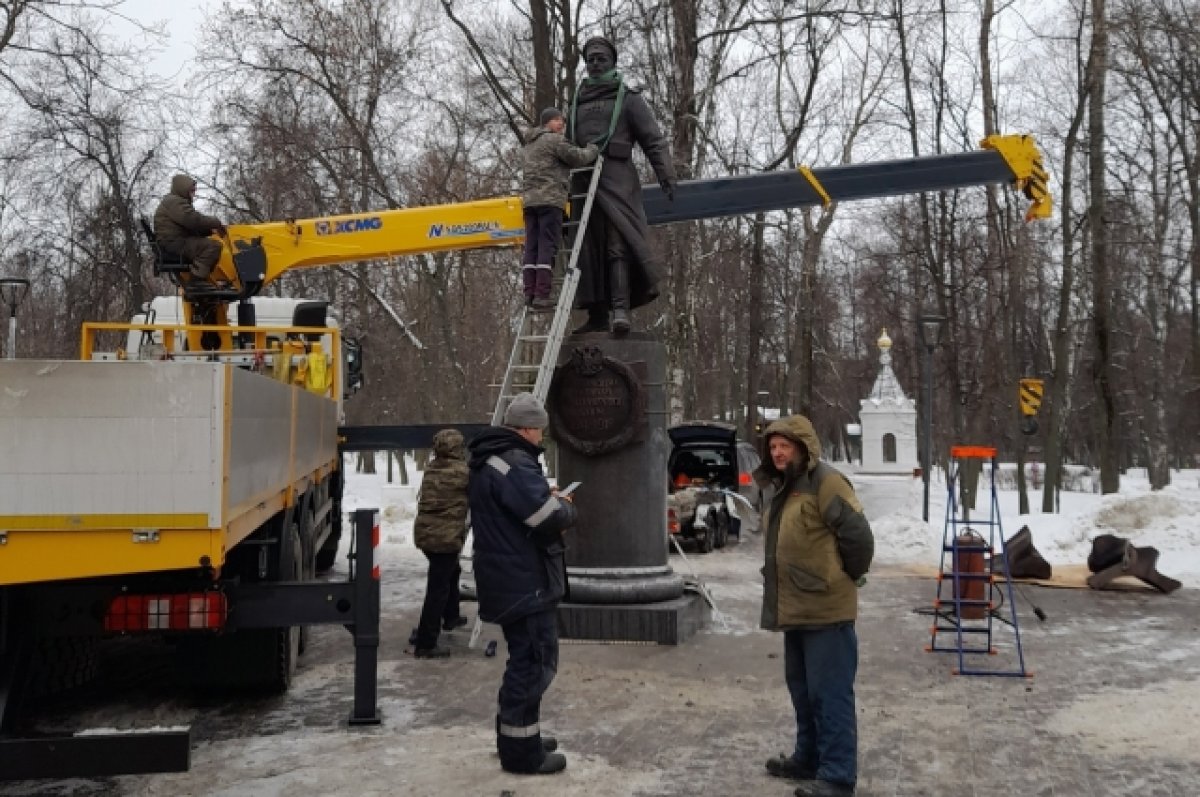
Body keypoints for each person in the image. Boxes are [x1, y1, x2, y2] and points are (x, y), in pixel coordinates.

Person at [755, 415, 874, 797]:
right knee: (802, 690)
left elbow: (858, 537)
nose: (777, 452)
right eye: (772, 447)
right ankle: (808, 758)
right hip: (795, 610)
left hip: (826, 611)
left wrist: (842, 575)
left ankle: (838, 776)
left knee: (830, 693)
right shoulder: (784, 487)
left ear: (802, 447)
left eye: (784, 446)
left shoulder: (826, 482)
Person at [467, 393, 577, 775]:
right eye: (540, 430)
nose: (540, 437)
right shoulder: (514, 464)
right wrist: (565, 505)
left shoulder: (493, 461)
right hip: (524, 582)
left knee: (524, 661)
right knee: (532, 665)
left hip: (507, 578)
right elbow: (546, 518)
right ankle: (522, 754)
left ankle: (519, 737)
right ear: (529, 428)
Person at [567, 35, 676, 336]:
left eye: (601, 58)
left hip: (617, 180)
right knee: (588, 250)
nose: (595, 63)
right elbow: (565, 146)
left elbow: (653, 140)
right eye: (590, 59)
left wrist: (665, 173)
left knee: (618, 245)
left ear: (612, 61)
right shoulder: (575, 102)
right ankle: (597, 313)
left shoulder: (627, 98)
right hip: (583, 180)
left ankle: (620, 309)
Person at [521, 108, 599, 311]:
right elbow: (577, 158)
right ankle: (542, 294)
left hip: (530, 202)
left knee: (532, 247)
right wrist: (593, 149)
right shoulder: (554, 141)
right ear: (547, 122)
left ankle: (529, 292)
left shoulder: (529, 144)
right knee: (547, 245)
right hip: (550, 200)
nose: (562, 124)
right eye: (558, 120)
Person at [411, 428, 471, 659]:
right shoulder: (462, 472)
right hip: (445, 539)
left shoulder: (432, 469)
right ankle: (426, 643)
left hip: (425, 535)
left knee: (451, 572)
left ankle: (451, 616)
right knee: (438, 588)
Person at [153, 174, 226, 279]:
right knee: (213, 246)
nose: (194, 194)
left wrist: (209, 231)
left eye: (194, 191)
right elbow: (193, 220)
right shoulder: (174, 202)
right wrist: (216, 222)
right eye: (191, 190)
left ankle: (203, 280)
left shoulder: (175, 201)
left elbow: (190, 226)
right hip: (174, 243)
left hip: (174, 241)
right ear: (182, 188)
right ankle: (197, 280)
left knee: (210, 243)